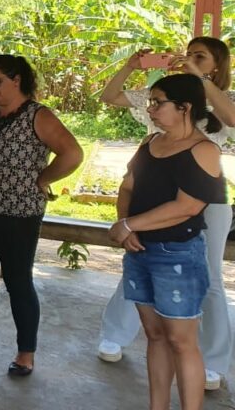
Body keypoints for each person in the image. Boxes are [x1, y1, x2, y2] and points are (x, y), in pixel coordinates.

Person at [97, 38, 234, 391]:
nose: (189, 59)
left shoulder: (219, 101)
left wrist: (197, 80)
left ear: (216, 66)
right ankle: (115, 333)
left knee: (210, 278)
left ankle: (214, 360)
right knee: (141, 262)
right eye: (188, 53)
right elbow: (109, 97)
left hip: (207, 199)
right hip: (154, 192)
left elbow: (232, 119)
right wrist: (130, 66)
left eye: (199, 57)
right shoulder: (161, 95)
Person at [0, 55, 83, 377]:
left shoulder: (39, 116)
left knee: (17, 281)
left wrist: (43, 179)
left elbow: (73, 153)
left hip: (19, 213)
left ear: (17, 80)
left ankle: (25, 352)